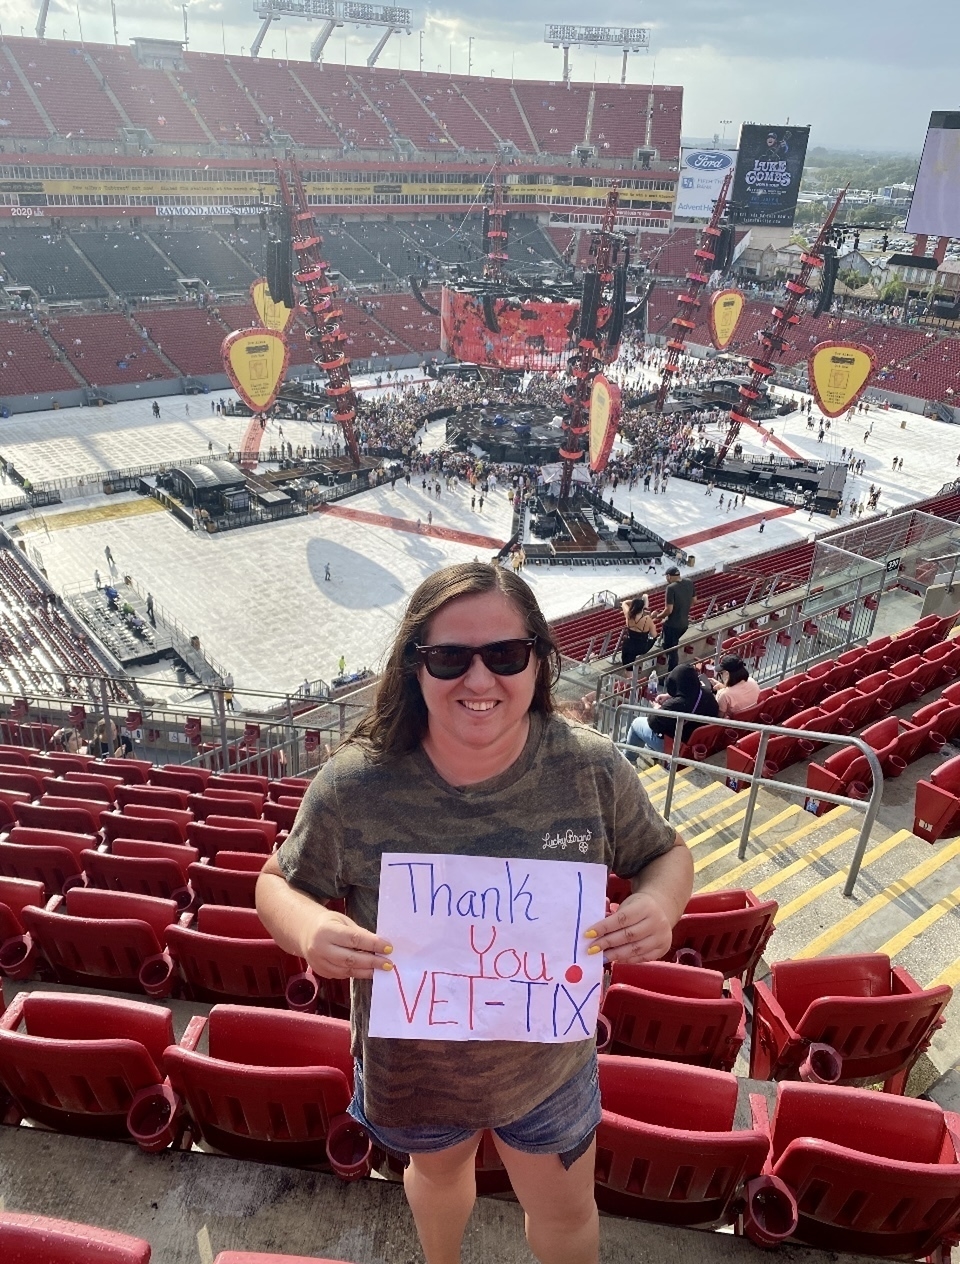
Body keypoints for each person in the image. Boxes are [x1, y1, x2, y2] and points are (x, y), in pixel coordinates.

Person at [255, 563, 692, 1264]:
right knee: (436, 1176)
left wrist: (659, 902)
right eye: (450, 657)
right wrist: (309, 928)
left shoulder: (591, 768)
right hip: (417, 1073)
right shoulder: (355, 785)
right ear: (415, 666)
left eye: (506, 654)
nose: (480, 679)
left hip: (549, 1069)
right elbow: (276, 884)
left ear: (538, 660)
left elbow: (666, 854)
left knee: (565, 1213)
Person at [624, 663, 719, 760]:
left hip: (674, 747)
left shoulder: (676, 705)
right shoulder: (708, 695)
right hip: (695, 744)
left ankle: (629, 759)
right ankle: (651, 749)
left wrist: (657, 709)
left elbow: (652, 723)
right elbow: (689, 693)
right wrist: (669, 696)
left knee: (636, 723)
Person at [659, 566, 694, 672]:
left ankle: (673, 673)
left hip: (672, 625)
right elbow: (694, 600)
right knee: (671, 646)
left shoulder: (671, 588)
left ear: (669, 576)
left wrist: (658, 616)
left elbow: (668, 610)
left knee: (672, 650)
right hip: (684, 624)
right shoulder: (689, 582)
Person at [619, 596, 657, 667]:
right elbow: (654, 635)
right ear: (642, 608)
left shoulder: (628, 615)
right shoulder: (647, 619)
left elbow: (624, 603)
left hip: (628, 645)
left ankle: (629, 673)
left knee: (628, 668)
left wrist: (635, 602)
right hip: (642, 647)